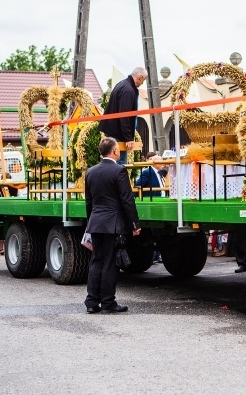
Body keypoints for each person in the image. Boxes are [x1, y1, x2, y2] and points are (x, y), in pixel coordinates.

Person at [83, 137, 141, 314]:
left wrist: (90, 223)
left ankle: (92, 302)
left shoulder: (90, 172)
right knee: (109, 263)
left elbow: (89, 201)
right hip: (112, 223)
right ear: (115, 151)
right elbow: (127, 200)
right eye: (118, 149)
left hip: (96, 222)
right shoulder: (119, 171)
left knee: (96, 261)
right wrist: (134, 224)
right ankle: (108, 302)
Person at [99, 67, 147, 165]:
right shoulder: (128, 90)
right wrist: (128, 138)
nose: (143, 83)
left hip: (112, 130)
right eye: (143, 80)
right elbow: (125, 115)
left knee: (109, 162)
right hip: (118, 133)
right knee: (119, 163)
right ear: (140, 77)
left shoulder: (122, 84)